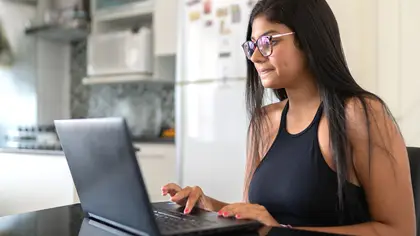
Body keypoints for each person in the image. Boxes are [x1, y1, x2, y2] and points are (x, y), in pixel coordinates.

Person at [162, 0, 416, 235]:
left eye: (268, 41)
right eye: (252, 45)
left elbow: (399, 230)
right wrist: (209, 207)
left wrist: (281, 232)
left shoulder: (360, 114)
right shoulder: (263, 122)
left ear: (309, 39)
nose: (255, 56)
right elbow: (255, 218)